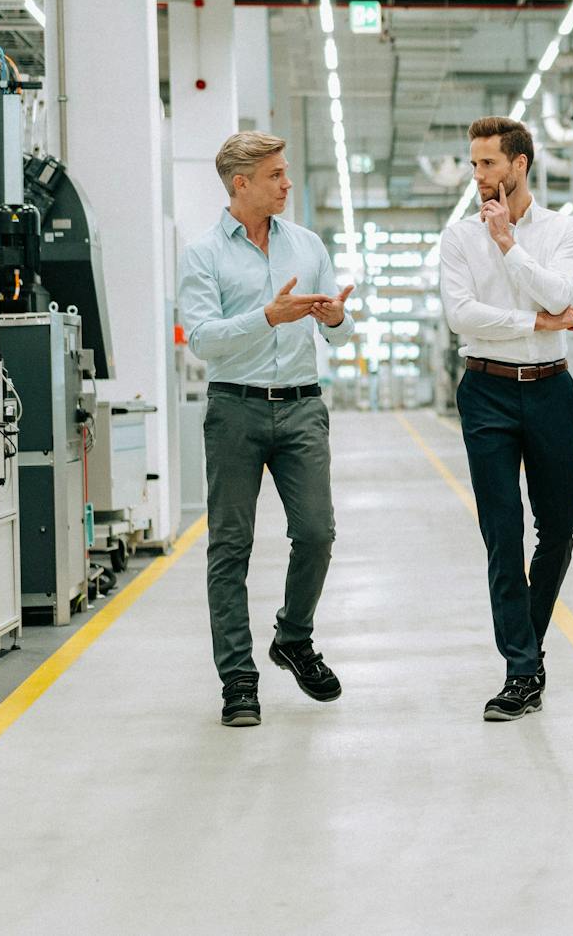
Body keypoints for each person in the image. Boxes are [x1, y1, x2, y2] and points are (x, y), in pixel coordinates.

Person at [178, 131, 355, 728]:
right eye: (276, 175)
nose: (286, 183)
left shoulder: (306, 246)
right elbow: (201, 338)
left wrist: (335, 317)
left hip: (303, 405)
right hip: (236, 409)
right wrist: (265, 317)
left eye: (285, 172)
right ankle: (239, 679)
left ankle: (293, 638)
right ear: (241, 183)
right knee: (231, 546)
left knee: (316, 533)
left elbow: (339, 333)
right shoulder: (203, 254)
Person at [437, 116, 573, 721]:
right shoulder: (457, 239)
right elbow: (460, 316)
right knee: (502, 532)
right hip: (486, 391)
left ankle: (528, 642)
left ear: (519, 165)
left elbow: (559, 293)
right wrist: (533, 323)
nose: (478, 177)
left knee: (560, 525)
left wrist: (507, 244)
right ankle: (521, 671)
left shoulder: (563, 229)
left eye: (488, 165)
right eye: (473, 164)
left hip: (551, 390)